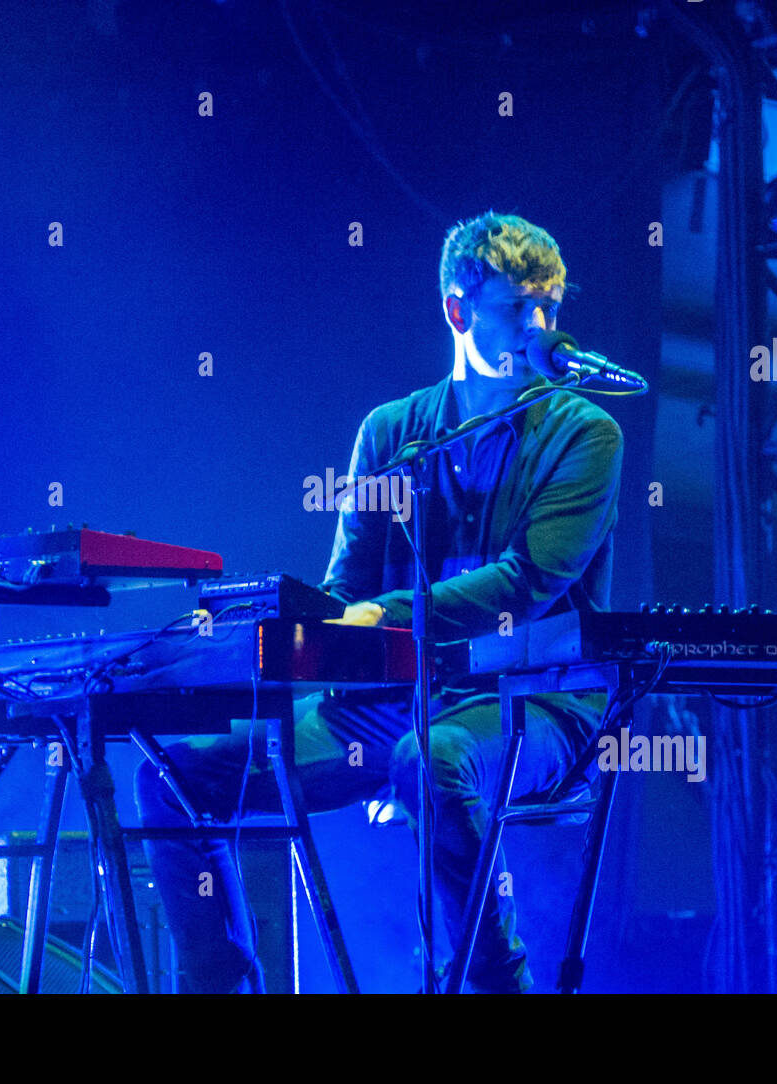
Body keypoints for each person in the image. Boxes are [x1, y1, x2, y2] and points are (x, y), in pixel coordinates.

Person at [136, 211, 624, 992]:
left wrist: (383, 616)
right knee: (172, 771)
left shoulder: (587, 433)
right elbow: (344, 592)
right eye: (516, 308)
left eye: (551, 307)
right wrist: (252, 630)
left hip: (537, 703)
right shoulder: (393, 434)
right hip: (397, 703)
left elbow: (528, 583)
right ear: (456, 311)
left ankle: (497, 987)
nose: (539, 328)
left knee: (427, 760)